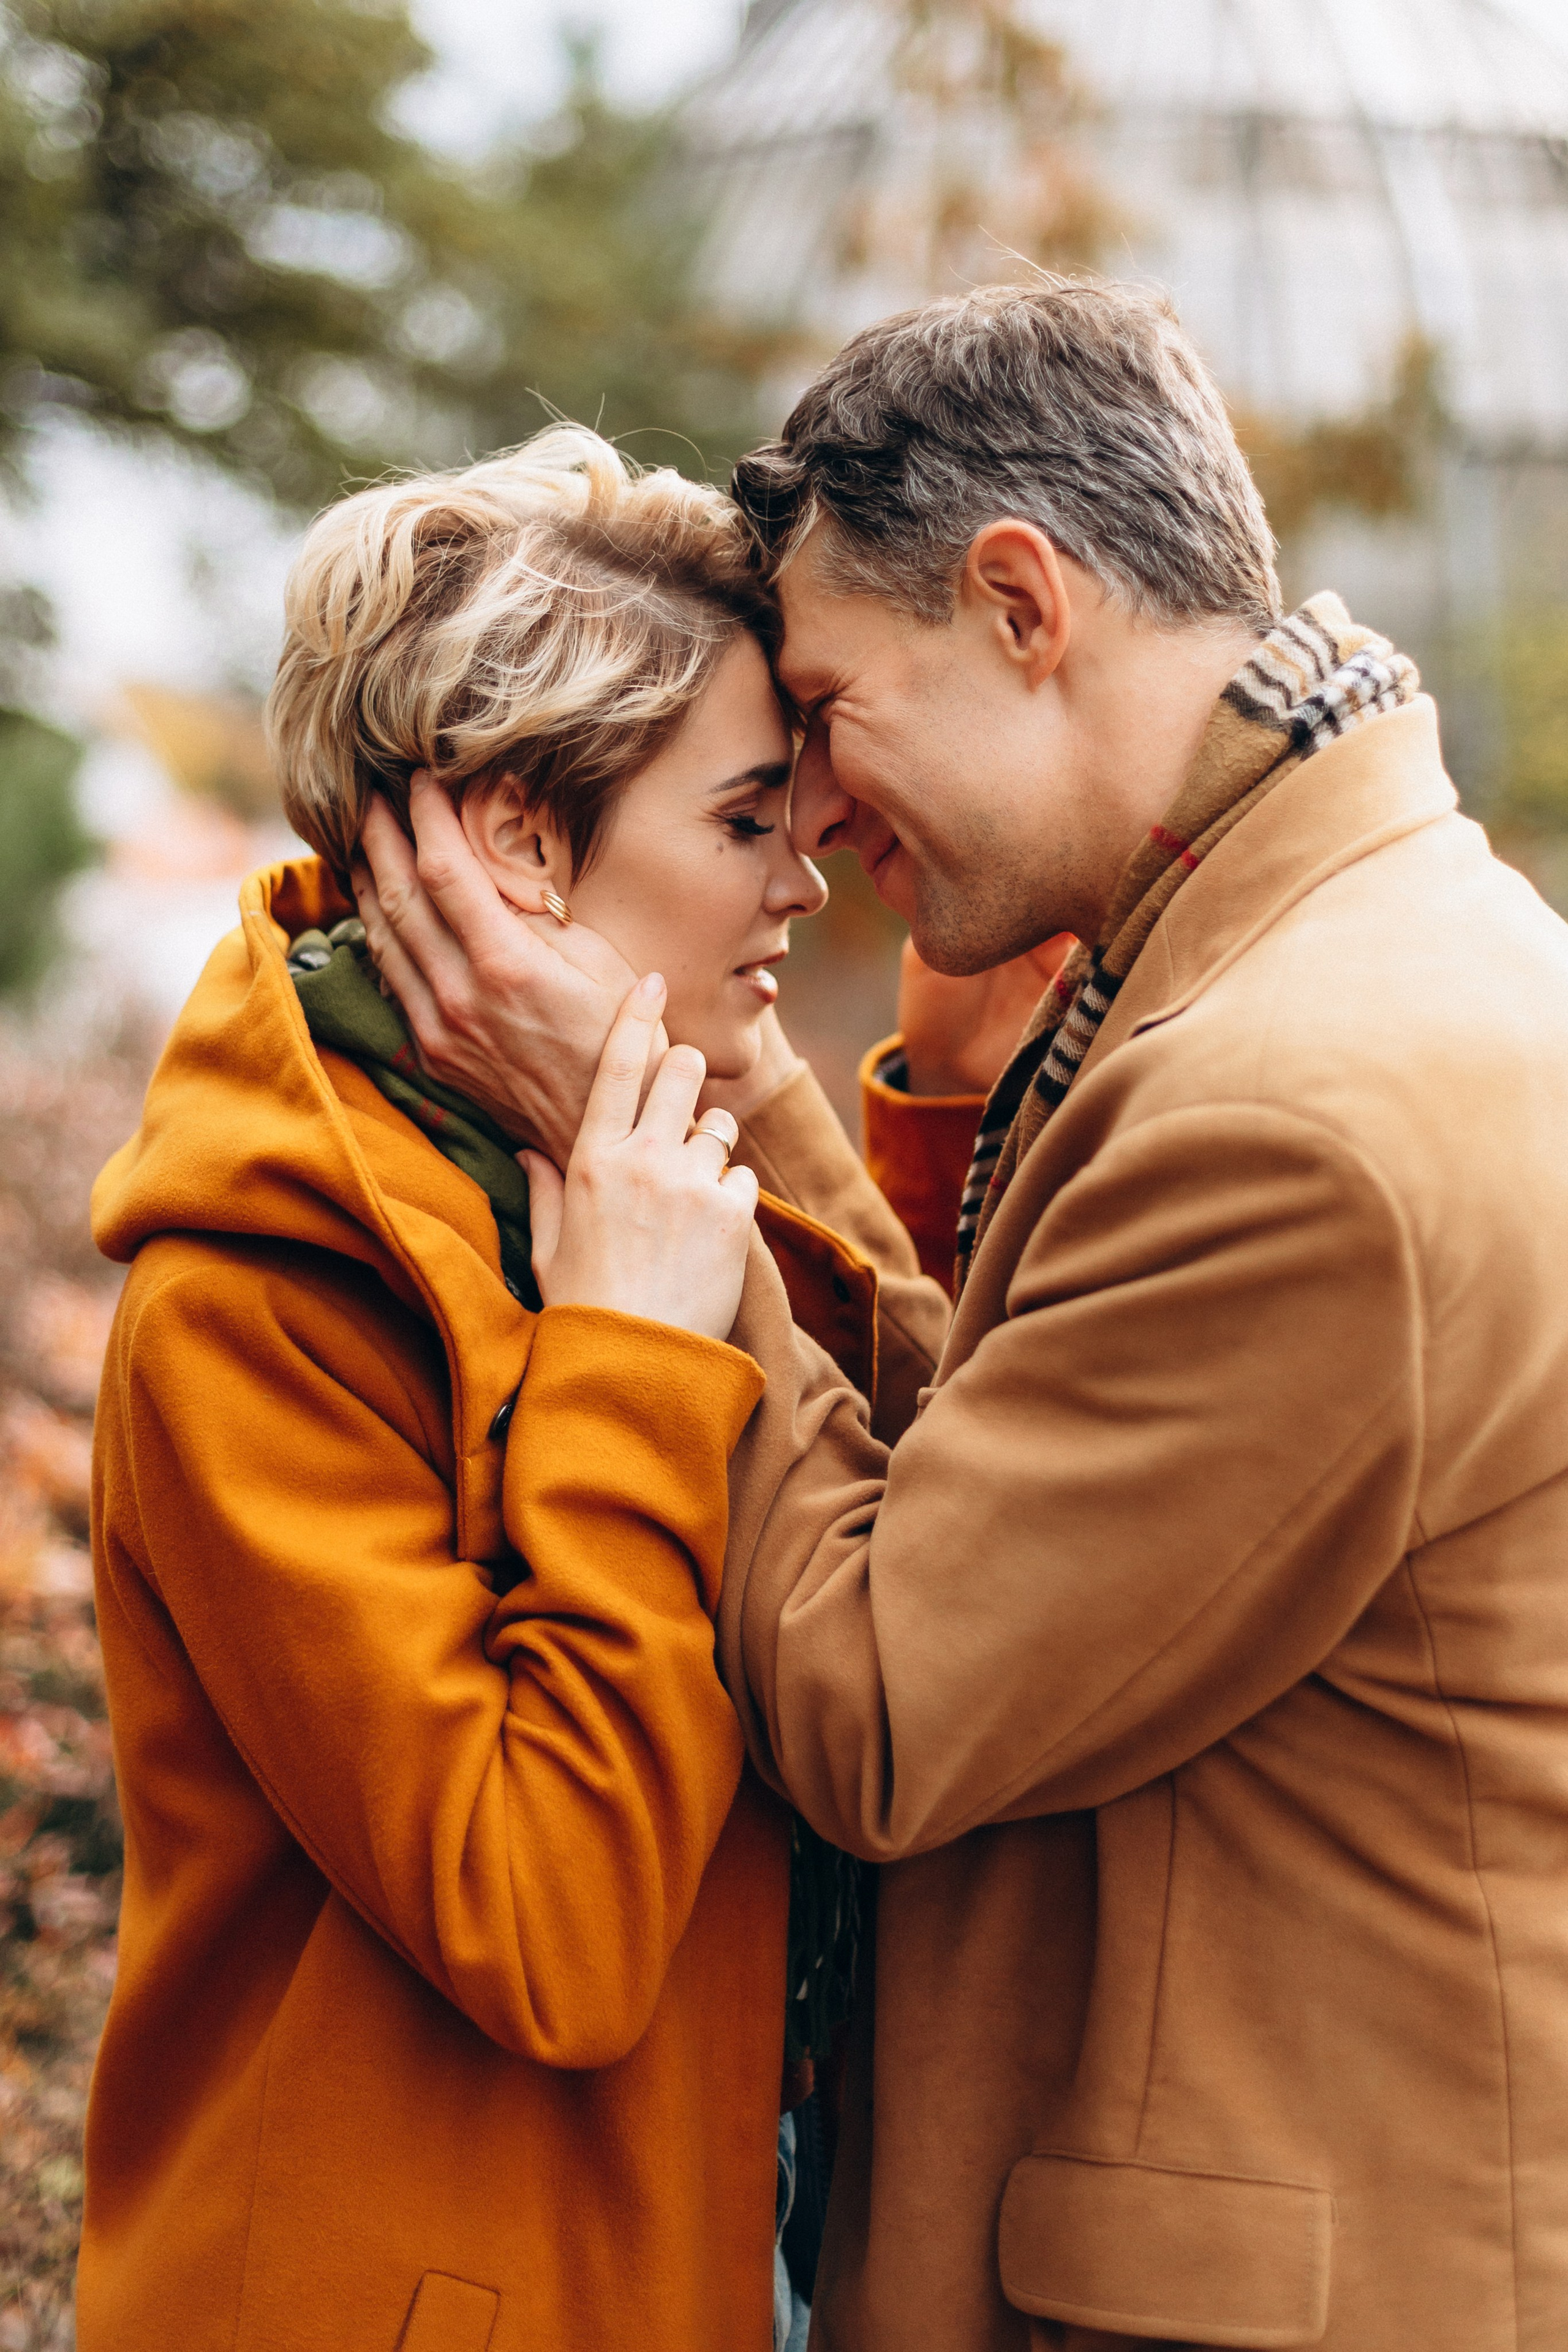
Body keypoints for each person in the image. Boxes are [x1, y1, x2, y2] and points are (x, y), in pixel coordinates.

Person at [360, 279, 1568, 2352]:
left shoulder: (1300, 1108)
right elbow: (1046, 1488)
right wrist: (741, 1092)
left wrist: (641, 1178)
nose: (813, 811)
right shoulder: (1365, 963)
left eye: (823, 709)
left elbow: (886, 1695)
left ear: (1022, 606)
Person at [83, 426, 948, 2352]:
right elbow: (545, 1923)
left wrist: (729, 1101)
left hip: (694, 2251)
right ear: (521, 843)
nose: (806, 884)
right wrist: (630, 1357)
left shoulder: (591, 1167)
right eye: (745, 824)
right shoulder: (266, 1296)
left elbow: (923, 1490)